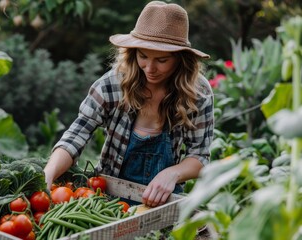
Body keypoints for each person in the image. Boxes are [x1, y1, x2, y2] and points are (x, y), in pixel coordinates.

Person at [44, 1, 214, 207]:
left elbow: (200, 155)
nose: (149, 68)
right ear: (133, 52)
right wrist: (48, 173)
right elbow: (76, 136)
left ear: (181, 59)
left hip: (162, 201)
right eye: (143, 56)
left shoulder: (198, 93)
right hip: (106, 200)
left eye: (161, 60)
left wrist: (172, 173)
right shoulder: (112, 85)